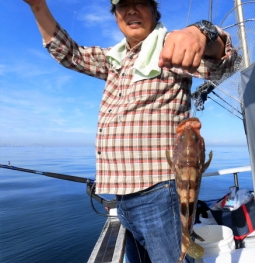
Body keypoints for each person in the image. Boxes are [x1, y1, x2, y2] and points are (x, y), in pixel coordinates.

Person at [23, 0, 240, 262]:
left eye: (140, 3)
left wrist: (201, 33)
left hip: (160, 195)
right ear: (116, 16)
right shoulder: (114, 60)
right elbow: (70, 54)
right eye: (123, 5)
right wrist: (37, 6)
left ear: (154, 11)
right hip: (122, 200)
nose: (132, 10)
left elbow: (225, 64)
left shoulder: (170, 48)